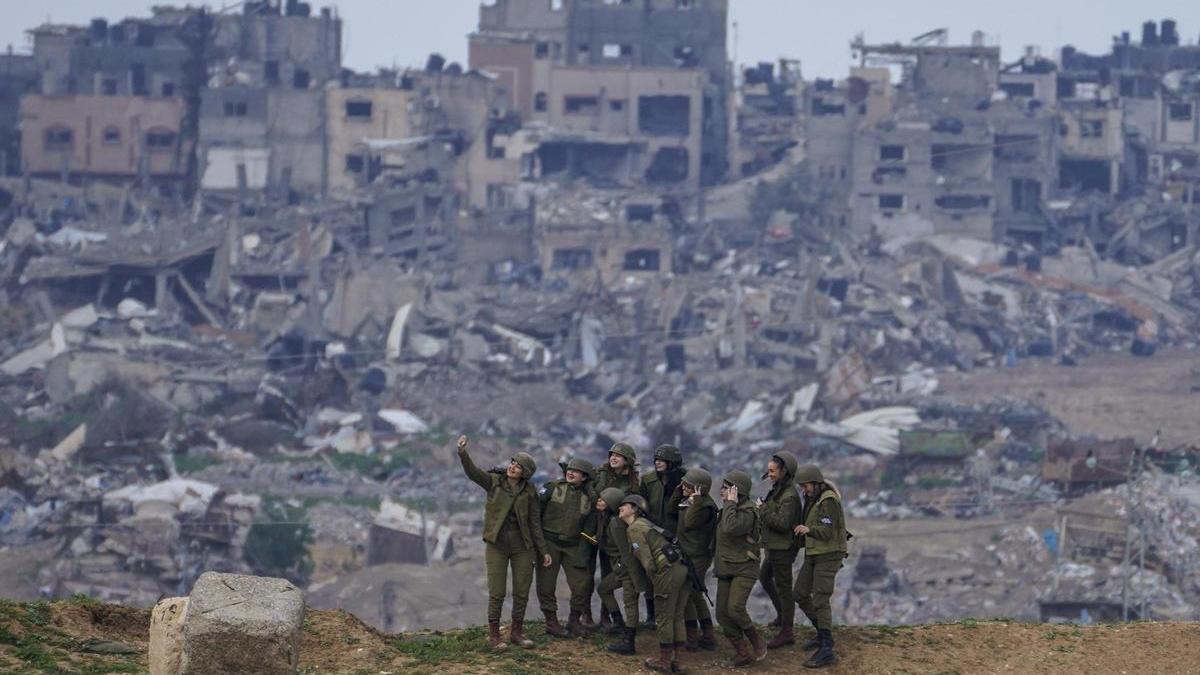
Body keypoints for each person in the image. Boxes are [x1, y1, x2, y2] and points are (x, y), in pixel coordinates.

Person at [456, 435, 551, 651]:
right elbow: (473, 472)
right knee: (497, 591)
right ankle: (494, 636)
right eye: (513, 463)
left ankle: (516, 632)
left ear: (525, 473)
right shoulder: (494, 482)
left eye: (518, 466)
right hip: (496, 545)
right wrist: (463, 453)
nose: (513, 467)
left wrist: (543, 550)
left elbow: (535, 523)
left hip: (522, 546)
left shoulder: (529, 493)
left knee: (522, 590)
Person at [620, 494, 690, 674]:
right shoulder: (647, 524)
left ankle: (665, 661)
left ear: (635, 509)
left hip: (666, 570)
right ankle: (680, 662)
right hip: (681, 567)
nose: (621, 507)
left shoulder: (634, 528)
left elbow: (647, 561)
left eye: (625, 505)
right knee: (677, 615)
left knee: (664, 616)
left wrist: (655, 581)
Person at [792, 464, 848, 669]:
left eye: (805, 485)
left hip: (829, 554)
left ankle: (827, 647)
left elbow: (826, 531)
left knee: (821, 599)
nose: (804, 490)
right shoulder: (813, 499)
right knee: (799, 593)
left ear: (815, 483)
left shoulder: (828, 501)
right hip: (815, 553)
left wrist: (808, 529)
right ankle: (821, 630)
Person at [536, 456, 597, 638]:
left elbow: (590, 526)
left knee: (581, 585)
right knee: (546, 585)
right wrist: (539, 545)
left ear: (584, 477)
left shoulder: (590, 498)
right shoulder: (552, 488)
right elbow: (536, 513)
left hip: (574, 545)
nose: (571, 472)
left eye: (576, 471)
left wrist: (583, 551)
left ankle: (574, 620)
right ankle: (551, 622)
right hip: (549, 543)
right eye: (569, 469)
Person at [714, 469, 766, 667]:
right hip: (727, 566)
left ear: (738, 491)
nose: (722, 490)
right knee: (721, 613)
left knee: (735, 608)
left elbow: (731, 528)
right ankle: (741, 652)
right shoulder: (729, 509)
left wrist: (730, 503)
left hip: (745, 567)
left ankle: (756, 641)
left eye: (727, 488)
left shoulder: (747, 512)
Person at [591, 442, 641, 631]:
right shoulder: (602, 474)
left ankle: (621, 627)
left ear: (627, 461)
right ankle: (609, 619)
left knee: (617, 584)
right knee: (603, 579)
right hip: (601, 527)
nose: (613, 457)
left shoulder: (633, 483)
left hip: (618, 532)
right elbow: (593, 494)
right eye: (611, 454)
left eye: (618, 455)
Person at [757, 451, 802, 648]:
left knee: (784, 589)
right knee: (764, 578)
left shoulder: (789, 495)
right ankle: (782, 616)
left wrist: (763, 509)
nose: (770, 474)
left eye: (773, 471)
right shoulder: (779, 489)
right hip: (774, 547)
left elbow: (783, 524)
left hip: (783, 549)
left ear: (785, 471)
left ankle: (787, 631)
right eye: (769, 471)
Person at [676, 467, 719, 651]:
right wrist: (681, 492)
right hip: (688, 553)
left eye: (688, 485)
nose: (684, 487)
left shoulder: (705, 507)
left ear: (699, 488)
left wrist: (697, 501)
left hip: (698, 556)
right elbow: (673, 509)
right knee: (694, 594)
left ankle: (697, 635)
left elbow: (690, 522)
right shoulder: (690, 501)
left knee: (691, 593)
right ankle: (705, 633)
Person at [640, 444, 686, 531]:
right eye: (656, 459)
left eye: (662, 460)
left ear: (672, 462)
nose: (657, 462)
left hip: (677, 528)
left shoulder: (685, 479)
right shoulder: (647, 480)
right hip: (652, 526)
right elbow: (642, 504)